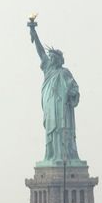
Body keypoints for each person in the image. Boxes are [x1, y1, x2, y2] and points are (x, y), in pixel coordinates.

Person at [29, 25, 81, 163]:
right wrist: (34, 34)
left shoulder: (65, 73)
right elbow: (41, 52)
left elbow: (74, 88)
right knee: (51, 132)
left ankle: (65, 156)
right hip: (50, 107)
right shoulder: (48, 69)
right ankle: (51, 155)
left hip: (62, 109)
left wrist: (72, 93)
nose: (50, 59)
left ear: (58, 60)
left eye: (53, 58)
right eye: (50, 57)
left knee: (62, 131)